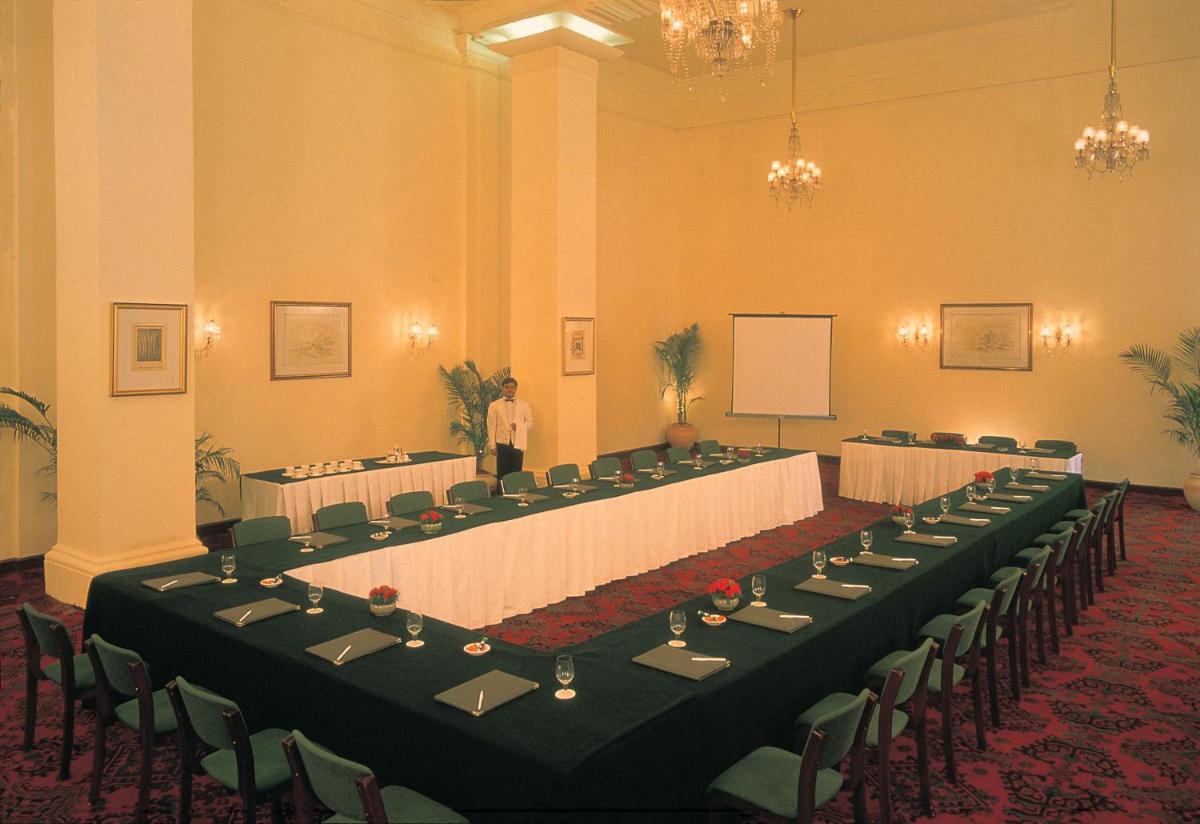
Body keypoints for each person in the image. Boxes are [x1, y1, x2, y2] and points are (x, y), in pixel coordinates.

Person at [487, 377, 533, 482]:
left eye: (512, 387)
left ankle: (515, 491)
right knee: (502, 473)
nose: (509, 389)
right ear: (502, 388)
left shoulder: (524, 405)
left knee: (516, 473)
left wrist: (519, 427)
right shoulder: (494, 405)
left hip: (518, 443)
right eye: (507, 387)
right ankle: (501, 492)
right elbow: (491, 426)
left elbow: (530, 424)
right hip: (501, 444)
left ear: (516, 389)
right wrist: (492, 446)